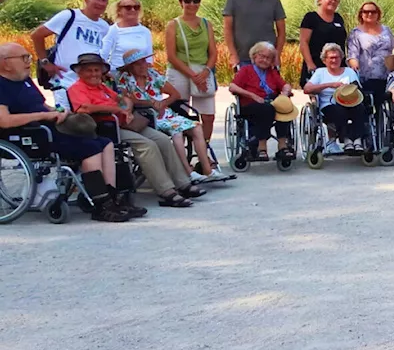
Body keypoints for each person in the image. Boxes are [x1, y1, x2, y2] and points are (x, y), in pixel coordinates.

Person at [0, 43, 128, 222]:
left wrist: (58, 112)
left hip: (49, 128)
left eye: (28, 57)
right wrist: (44, 115)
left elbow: (43, 106)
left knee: (105, 143)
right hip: (28, 136)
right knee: (90, 149)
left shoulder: (25, 80)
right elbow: (4, 120)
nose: (29, 62)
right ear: (5, 63)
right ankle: (100, 205)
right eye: (23, 58)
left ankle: (111, 197)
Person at [67, 53, 204, 208]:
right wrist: (117, 109)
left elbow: (124, 99)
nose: (94, 74)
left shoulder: (102, 86)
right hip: (105, 128)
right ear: (79, 72)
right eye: (89, 70)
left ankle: (182, 183)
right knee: (147, 145)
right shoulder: (76, 88)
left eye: (97, 70)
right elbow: (85, 108)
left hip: (125, 123)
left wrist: (128, 109)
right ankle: (166, 191)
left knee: (163, 140)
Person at [112, 48, 226, 183]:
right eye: (139, 63)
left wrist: (163, 103)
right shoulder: (124, 80)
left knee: (196, 127)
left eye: (144, 61)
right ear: (130, 67)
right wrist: (148, 103)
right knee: (177, 133)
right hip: (145, 116)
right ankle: (188, 172)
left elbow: (175, 94)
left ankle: (207, 170)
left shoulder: (153, 75)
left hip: (164, 114)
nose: (144, 65)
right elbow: (124, 99)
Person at [31, 0, 111, 110]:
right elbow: (37, 35)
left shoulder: (104, 27)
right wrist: (45, 62)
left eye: (104, 0)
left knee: (91, 120)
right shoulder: (69, 16)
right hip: (65, 82)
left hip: (90, 84)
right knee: (69, 122)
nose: (100, 3)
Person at [164, 0, 218, 143]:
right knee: (181, 113)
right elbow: (171, 56)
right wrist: (193, 76)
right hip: (180, 71)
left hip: (202, 70)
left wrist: (206, 71)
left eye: (195, 1)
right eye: (187, 1)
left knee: (208, 115)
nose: (191, 4)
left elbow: (213, 52)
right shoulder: (173, 25)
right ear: (181, 3)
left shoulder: (206, 24)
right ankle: (183, 149)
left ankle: (204, 147)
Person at [229, 42, 296, 161]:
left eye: (268, 58)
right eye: (262, 56)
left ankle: (282, 146)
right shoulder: (246, 70)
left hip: (270, 104)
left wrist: (285, 94)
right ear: (254, 56)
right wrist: (252, 95)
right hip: (249, 105)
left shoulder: (272, 72)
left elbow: (285, 85)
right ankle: (262, 147)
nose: (264, 60)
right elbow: (233, 87)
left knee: (284, 107)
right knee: (267, 109)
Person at [304, 42, 368, 153]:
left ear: (341, 58)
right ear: (324, 60)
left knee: (360, 109)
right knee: (339, 111)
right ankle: (347, 140)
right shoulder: (320, 73)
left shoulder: (349, 72)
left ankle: (357, 140)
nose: (334, 60)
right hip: (329, 104)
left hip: (350, 102)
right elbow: (307, 89)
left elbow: (358, 90)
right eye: (331, 58)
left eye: (337, 57)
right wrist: (330, 85)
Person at [222, 0, 286, 68]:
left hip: (268, 60)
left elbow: (282, 32)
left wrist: (277, 55)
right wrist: (233, 55)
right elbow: (227, 29)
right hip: (242, 59)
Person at [346, 1, 394, 105]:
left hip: (386, 74)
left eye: (373, 11)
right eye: (366, 11)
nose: (370, 14)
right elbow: (352, 54)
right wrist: (355, 66)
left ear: (378, 14)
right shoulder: (356, 33)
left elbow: (393, 49)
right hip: (366, 76)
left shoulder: (387, 30)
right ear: (361, 14)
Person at [298, 0, 346, 79]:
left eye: (336, 0)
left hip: (337, 66)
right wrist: (310, 63)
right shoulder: (311, 17)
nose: (333, 1)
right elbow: (303, 42)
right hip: (316, 65)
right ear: (320, 0)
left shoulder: (338, 18)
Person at [100, 0, 153, 70]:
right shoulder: (112, 30)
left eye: (136, 7)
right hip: (118, 75)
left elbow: (149, 59)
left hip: (140, 76)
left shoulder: (145, 32)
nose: (133, 10)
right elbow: (103, 56)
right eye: (128, 7)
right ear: (119, 10)